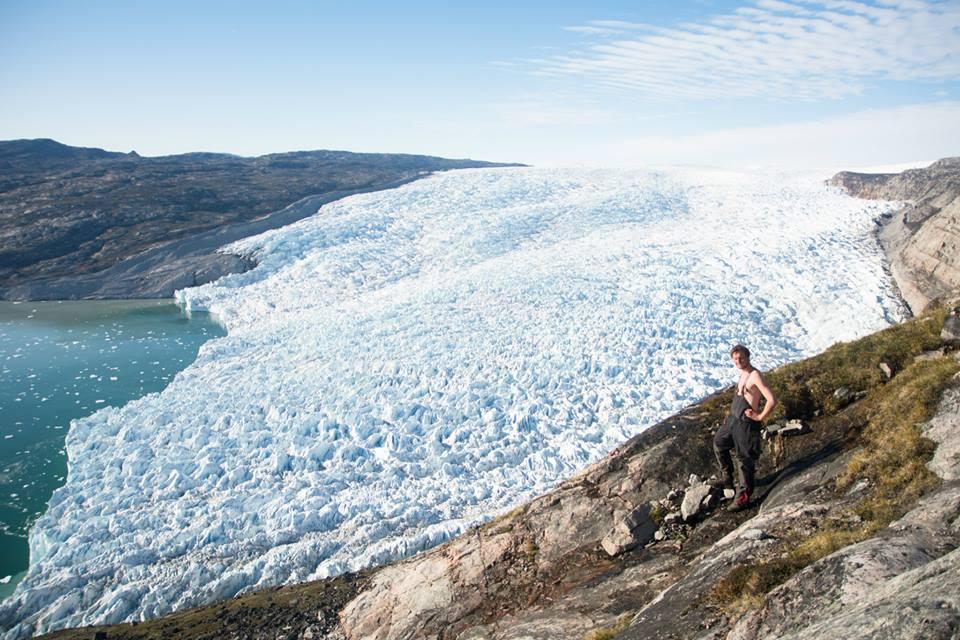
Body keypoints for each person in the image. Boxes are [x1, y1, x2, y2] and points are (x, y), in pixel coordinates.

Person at [714, 344, 777, 511]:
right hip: (733, 421)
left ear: (748, 357)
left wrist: (759, 416)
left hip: (746, 424)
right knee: (719, 443)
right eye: (735, 358)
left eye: (741, 357)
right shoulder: (742, 373)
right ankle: (727, 478)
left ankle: (743, 498)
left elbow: (772, 400)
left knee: (744, 459)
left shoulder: (755, 375)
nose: (738, 361)